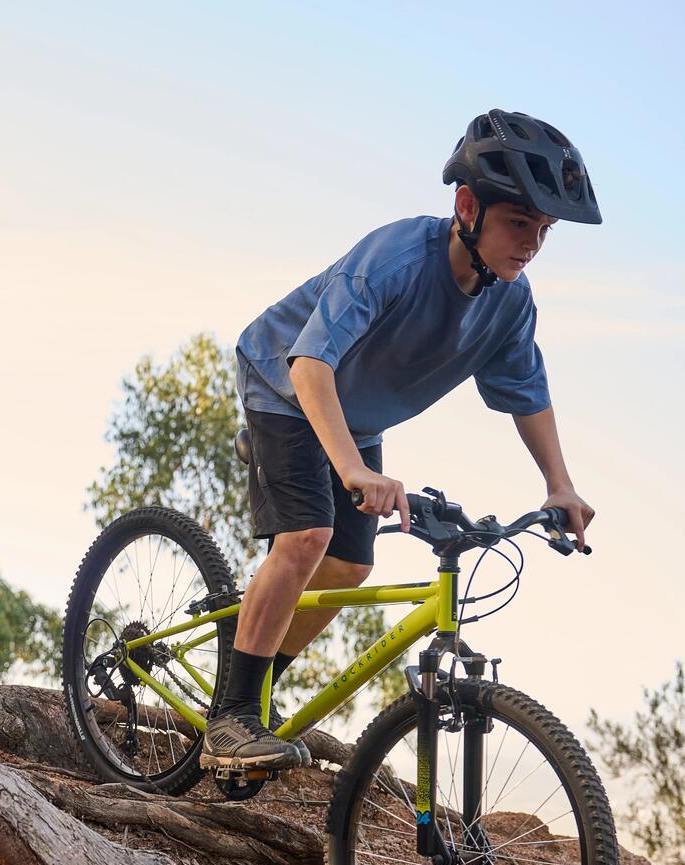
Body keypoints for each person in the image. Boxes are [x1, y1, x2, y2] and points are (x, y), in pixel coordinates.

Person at [203, 109, 602, 771]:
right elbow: (310, 365)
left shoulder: (509, 300)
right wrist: (354, 470)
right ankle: (232, 717)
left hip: (355, 415)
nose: (530, 244)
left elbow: (528, 393)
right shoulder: (392, 262)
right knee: (308, 536)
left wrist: (558, 483)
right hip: (286, 382)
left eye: (543, 230)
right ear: (467, 207)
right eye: (517, 224)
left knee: (351, 567)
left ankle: (252, 679)